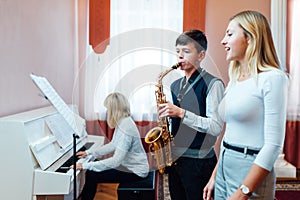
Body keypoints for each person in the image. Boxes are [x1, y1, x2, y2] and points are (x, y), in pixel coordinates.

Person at [203, 10, 289, 200]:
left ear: (250, 37)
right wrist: (215, 176)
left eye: (230, 34)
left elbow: (273, 145)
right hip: (225, 162)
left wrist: (244, 192)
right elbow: (230, 132)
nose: (223, 41)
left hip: (250, 166)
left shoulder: (273, 78)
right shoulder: (235, 79)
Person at [158, 29, 225, 200]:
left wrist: (180, 112)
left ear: (201, 55)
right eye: (178, 52)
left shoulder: (213, 84)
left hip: (199, 163)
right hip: (176, 159)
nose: (180, 57)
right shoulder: (175, 85)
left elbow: (215, 127)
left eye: (186, 52)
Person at [71, 92, 149, 200]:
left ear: (114, 110)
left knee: (93, 174)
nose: (107, 112)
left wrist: (85, 165)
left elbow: (116, 161)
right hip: (130, 166)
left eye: (108, 109)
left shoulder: (125, 128)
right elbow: (113, 145)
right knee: (93, 171)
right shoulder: (124, 122)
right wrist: (89, 153)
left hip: (136, 171)